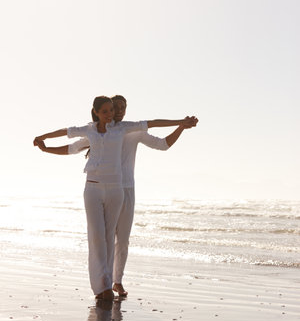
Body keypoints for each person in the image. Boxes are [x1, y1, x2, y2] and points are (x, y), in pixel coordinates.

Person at [34, 96, 198, 301]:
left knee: (122, 239)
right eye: (114, 108)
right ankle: (103, 283)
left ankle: (116, 280)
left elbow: (163, 144)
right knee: (102, 236)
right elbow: (71, 148)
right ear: (106, 110)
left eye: (122, 108)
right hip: (99, 185)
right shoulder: (95, 130)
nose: (118, 111)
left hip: (125, 188)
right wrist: (46, 147)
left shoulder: (133, 130)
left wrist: (181, 126)